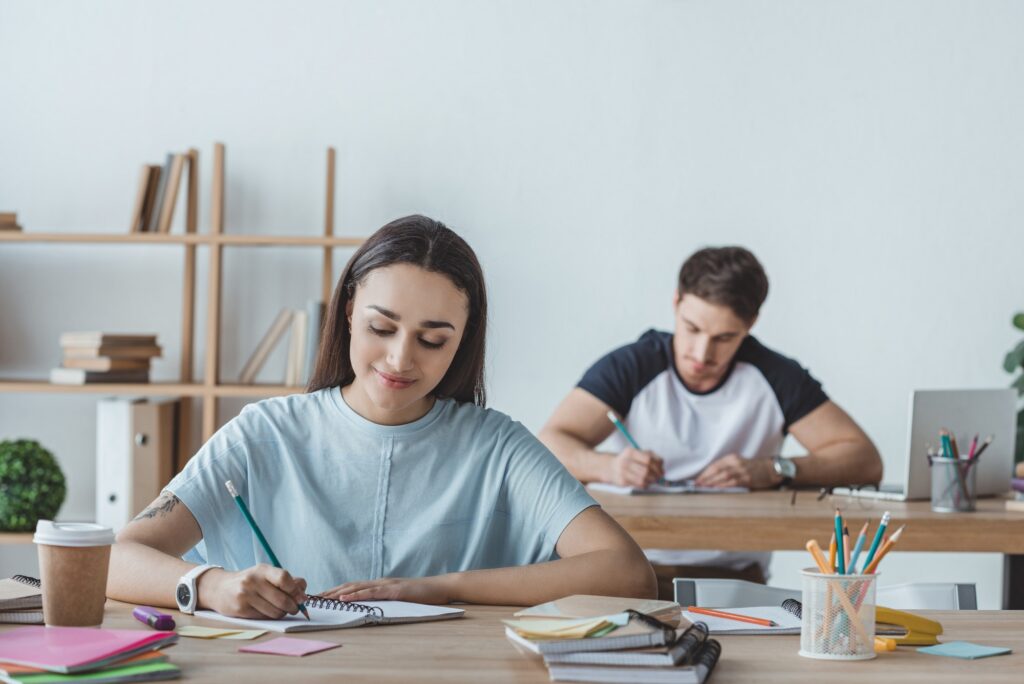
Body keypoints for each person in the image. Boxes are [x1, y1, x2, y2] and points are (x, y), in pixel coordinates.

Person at [108, 215, 656, 618]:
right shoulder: (264, 432)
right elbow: (115, 558)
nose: (401, 359)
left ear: (463, 341)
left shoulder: (499, 446)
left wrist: (440, 587)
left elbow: (628, 573)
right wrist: (209, 585)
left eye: (433, 340)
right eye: (382, 328)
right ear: (349, 312)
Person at [539, 246, 882, 599]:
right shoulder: (632, 366)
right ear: (676, 302)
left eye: (724, 338)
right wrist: (608, 467)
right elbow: (550, 442)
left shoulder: (776, 376)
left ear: (750, 325)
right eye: (692, 328)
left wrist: (775, 468)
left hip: (733, 580)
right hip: (628, 568)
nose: (702, 354)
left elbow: (864, 460)